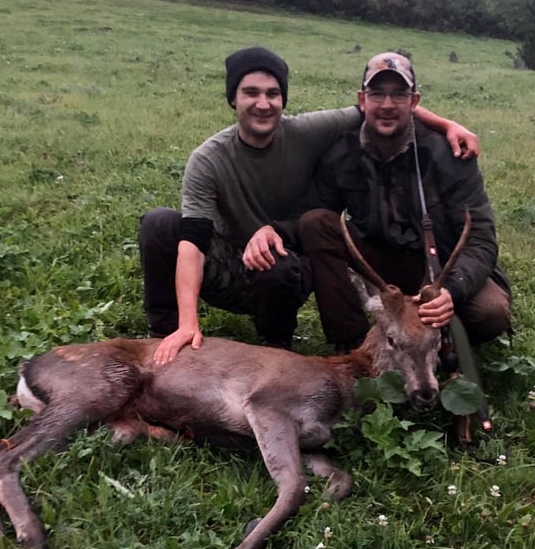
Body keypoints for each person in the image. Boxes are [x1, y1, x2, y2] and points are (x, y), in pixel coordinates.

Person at [139, 46, 481, 365]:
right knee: (159, 223)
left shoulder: (308, 131)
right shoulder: (207, 159)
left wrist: (446, 125)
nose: (263, 104)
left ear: (283, 100)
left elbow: (383, 108)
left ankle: (275, 344)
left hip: (284, 265)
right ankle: (166, 336)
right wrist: (188, 321)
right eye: (251, 93)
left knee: (282, 265)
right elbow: (193, 242)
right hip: (230, 263)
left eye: (273, 94)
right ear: (233, 99)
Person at [298, 52, 512, 353]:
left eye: (399, 95)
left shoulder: (450, 155)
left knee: (491, 312)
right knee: (315, 223)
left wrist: (452, 290)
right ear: (362, 99)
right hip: (380, 265)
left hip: (438, 269)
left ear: (414, 102)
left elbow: (481, 238)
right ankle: (355, 345)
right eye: (377, 93)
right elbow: (313, 211)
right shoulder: (341, 154)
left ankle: (436, 334)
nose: (387, 105)